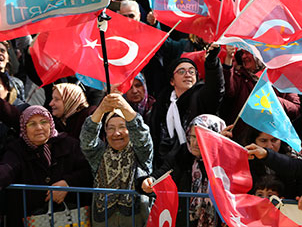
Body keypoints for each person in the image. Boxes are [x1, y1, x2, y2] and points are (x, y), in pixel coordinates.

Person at [0, 106, 92, 226]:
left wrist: (67, 183)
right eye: (32, 124)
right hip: (30, 217)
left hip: (68, 217)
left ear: (51, 124)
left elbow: (87, 171)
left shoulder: (69, 144)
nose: (39, 128)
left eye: (44, 122)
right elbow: (7, 169)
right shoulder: (17, 149)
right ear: (24, 128)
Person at [140, 114, 227, 227]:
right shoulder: (180, 153)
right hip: (184, 220)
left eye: (201, 137)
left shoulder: (224, 160)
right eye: (193, 137)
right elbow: (162, 173)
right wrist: (148, 181)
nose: (195, 143)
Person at [80, 94, 153, 227]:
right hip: (103, 220)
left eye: (122, 127)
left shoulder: (140, 152)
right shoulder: (99, 154)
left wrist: (123, 106)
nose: (116, 133)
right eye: (111, 128)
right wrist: (101, 109)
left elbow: (141, 134)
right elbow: (86, 140)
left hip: (136, 218)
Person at [147, 45, 225, 167]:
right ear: (172, 81)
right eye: (181, 71)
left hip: (197, 164)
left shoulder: (201, 97)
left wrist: (212, 61)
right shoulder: (162, 104)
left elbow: (216, 87)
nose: (187, 75)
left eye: (192, 71)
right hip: (168, 166)